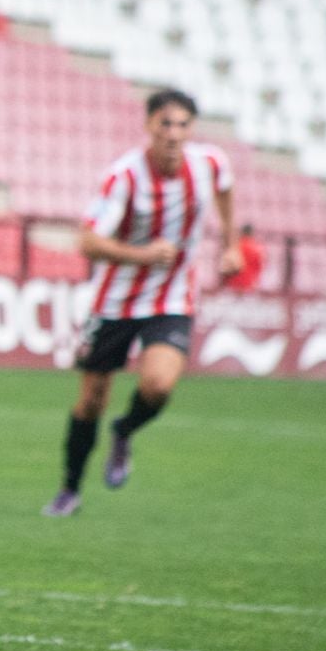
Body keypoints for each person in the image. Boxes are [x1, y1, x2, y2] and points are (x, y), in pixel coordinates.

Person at [44, 89, 240, 517]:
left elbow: (225, 192)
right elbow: (88, 241)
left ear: (192, 129)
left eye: (182, 125)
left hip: (172, 296)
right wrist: (144, 255)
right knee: (91, 398)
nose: (173, 134)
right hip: (114, 301)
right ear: (149, 126)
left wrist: (231, 244)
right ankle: (70, 488)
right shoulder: (125, 177)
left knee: (158, 385)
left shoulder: (209, 165)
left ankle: (124, 430)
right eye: (165, 124)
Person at [228, 223, 263, 293]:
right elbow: (259, 267)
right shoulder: (256, 248)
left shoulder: (235, 246)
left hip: (233, 284)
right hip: (249, 284)